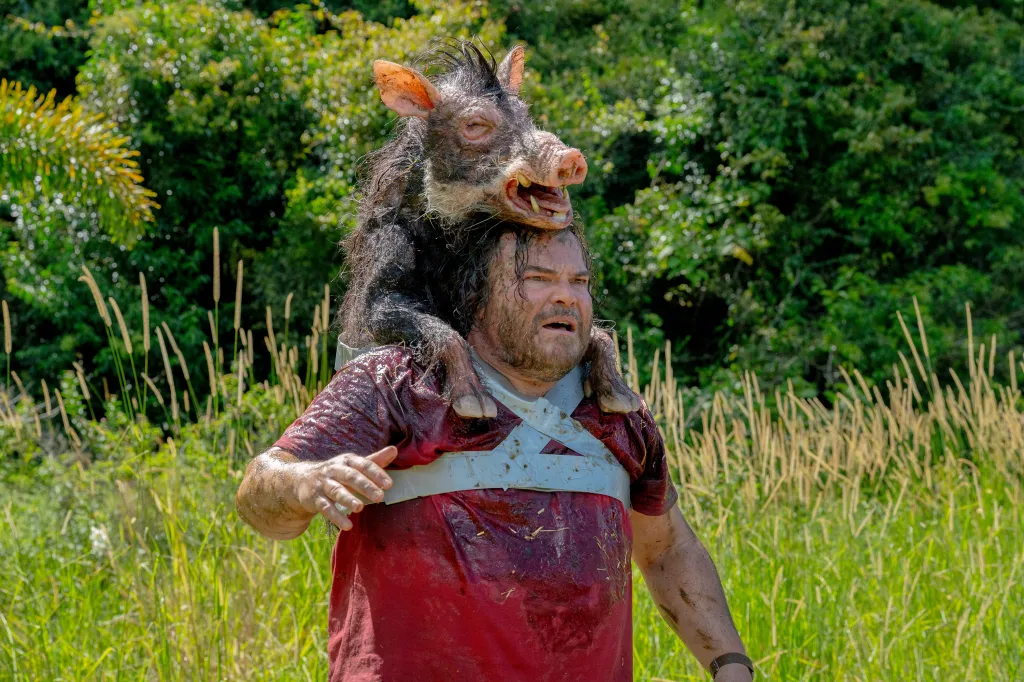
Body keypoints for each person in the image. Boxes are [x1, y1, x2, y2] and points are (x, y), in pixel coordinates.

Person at [235, 225, 753, 682]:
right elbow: (260, 492)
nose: (566, 297)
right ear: (475, 295)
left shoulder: (616, 413)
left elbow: (665, 551)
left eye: (579, 282)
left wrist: (730, 665)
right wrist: (308, 481)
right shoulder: (398, 383)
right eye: (538, 278)